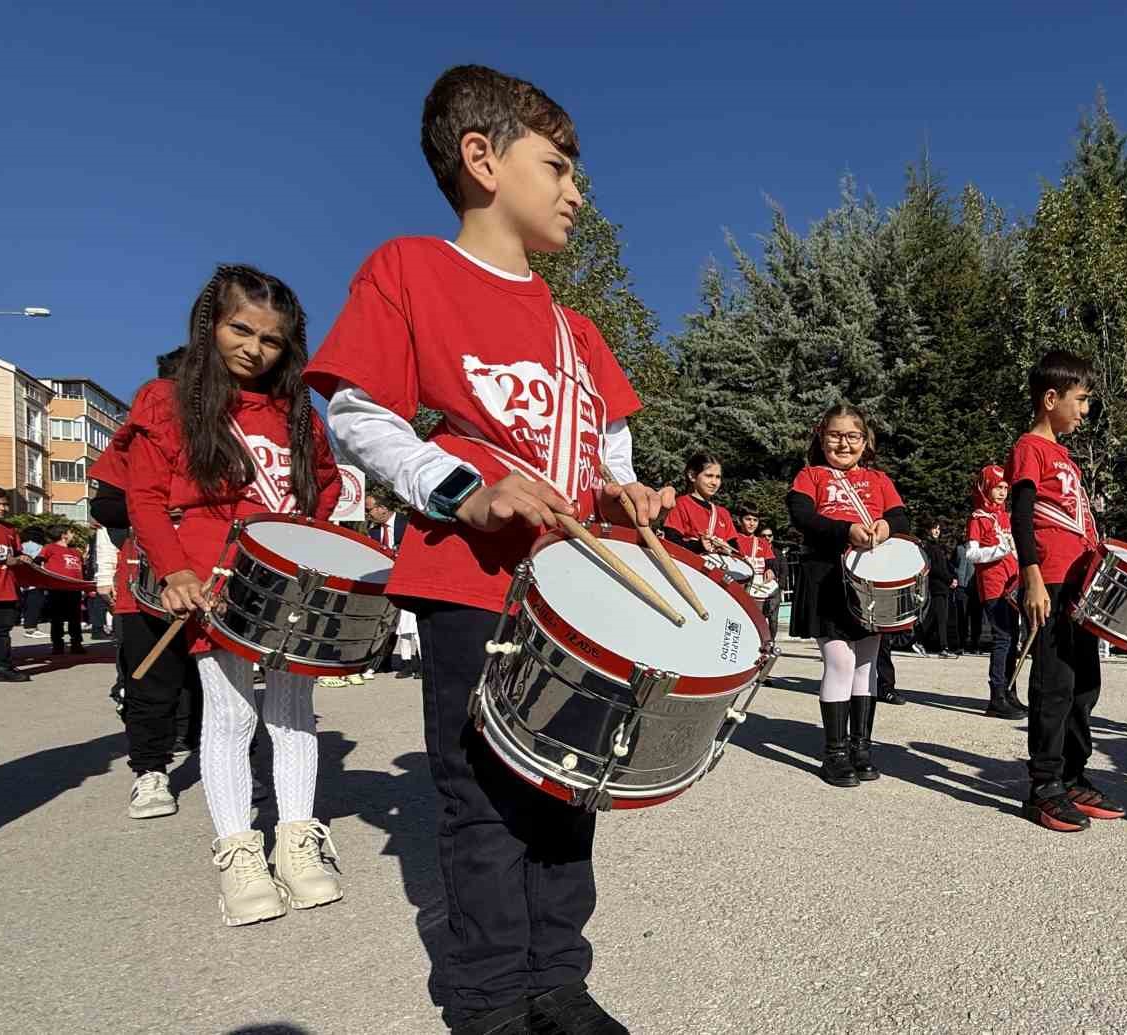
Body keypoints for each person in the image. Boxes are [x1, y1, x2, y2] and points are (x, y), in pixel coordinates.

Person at [304, 64, 673, 1034]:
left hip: (581, 593)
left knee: (569, 794)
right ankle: (487, 1003)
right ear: (481, 158)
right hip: (469, 585)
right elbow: (358, 412)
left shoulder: (576, 328)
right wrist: (465, 491)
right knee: (481, 802)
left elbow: (608, 447)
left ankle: (559, 983)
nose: (576, 192)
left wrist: (626, 490)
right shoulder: (411, 270)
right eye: (556, 165)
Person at [125, 264, 344, 925]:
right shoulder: (167, 400)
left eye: (270, 339)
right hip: (212, 587)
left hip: (288, 586)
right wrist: (173, 570)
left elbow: (327, 485)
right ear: (209, 325)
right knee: (230, 717)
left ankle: (298, 842)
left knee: (292, 712)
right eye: (239, 329)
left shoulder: (297, 412)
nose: (253, 347)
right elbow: (145, 496)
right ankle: (238, 853)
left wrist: (314, 539)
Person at [1009, 350, 1125, 833]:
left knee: (1084, 686)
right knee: (1053, 686)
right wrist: (1032, 575)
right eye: (1080, 401)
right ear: (1051, 398)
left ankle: (1075, 774)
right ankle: (1044, 786)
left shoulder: (1065, 456)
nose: (1084, 411)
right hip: (1050, 581)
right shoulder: (1029, 448)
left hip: (1081, 586)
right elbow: (1019, 514)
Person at [787, 403, 910, 785]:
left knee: (866, 666)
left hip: (868, 581)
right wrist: (846, 531)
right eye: (835, 435)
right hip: (827, 576)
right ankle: (834, 754)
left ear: (865, 440)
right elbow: (802, 516)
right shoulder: (810, 475)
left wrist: (886, 528)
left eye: (852, 436)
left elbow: (901, 516)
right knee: (840, 663)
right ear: (821, 438)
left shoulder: (878, 478)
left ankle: (861, 748)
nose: (844, 443)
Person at [965, 465, 1023, 718]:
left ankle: (1010, 692)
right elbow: (971, 554)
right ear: (986, 487)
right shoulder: (978, 518)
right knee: (1003, 639)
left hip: (1012, 585)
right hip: (992, 586)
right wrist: (999, 551)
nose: (1002, 492)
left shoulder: (1004, 516)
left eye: (1005, 488)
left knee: (1013, 639)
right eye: (998, 487)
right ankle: (996, 697)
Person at [363, 495, 419, 680]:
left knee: (411, 625)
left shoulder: (409, 525)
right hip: (386, 584)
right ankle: (384, 661)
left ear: (383, 508)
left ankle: (418, 663)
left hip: (410, 582)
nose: (367, 514)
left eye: (369, 509)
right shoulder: (373, 533)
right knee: (389, 624)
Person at [662, 451, 739, 561]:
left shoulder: (723, 513)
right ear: (692, 476)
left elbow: (736, 550)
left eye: (718, 477)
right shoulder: (681, 504)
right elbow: (671, 541)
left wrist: (727, 548)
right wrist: (699, 546)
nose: (714, 482)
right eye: (709, 476)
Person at [0, 487, 30, 681]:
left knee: (1, 632)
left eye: (5, 504)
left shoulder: (10, 529)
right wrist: (5, 558)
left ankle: (3, 668)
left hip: (5, 589)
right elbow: (6, 558)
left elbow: (17, 554)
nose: (3, 508)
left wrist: (24, 558)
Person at [734, 505, 780, 641]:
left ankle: (765, 644)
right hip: (739, 587)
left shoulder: (761, 542)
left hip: (759, 590)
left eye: (755, 520)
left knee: (758, 622)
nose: (752, 523)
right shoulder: (733, 539)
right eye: (748, 519)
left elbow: (771, 562)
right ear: (739, 520)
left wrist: (770, 569)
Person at [38, 526, 86, 655]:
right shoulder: (49, 548)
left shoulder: (76, 551)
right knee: (57, 618)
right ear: (64, 535)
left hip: (74, 588)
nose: (73, 536)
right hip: (57, 588)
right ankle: (57, 644)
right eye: (71, 533)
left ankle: (76, 643)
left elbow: (82, 569)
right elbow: (38, 561)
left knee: (75, 617)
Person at [916, 518, 957, 658]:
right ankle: (943, 648)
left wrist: (952, 577)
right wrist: (949, 579)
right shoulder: (928, 547)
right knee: (940, 618)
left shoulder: (937, 547)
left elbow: (945, 566)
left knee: (934, 617)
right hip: (937, 585)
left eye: (938, 529)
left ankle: (918, 641)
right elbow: (935, 568)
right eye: (934, 528)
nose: (936, 531)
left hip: (942, 586)